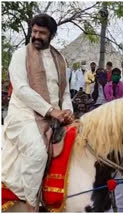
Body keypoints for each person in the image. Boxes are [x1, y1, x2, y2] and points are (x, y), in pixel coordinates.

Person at [1, 14, 74, 211]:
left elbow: (65, 91)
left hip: (54, 117)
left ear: (51, 35)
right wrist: (51, 111)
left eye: (42, 33)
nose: (36, 36)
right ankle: (32, 204)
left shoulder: (60, 59)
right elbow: (22, 90)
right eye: (34, 31)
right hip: (24, 115)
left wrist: (67, 111)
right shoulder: (20, 55)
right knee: (37, 153)